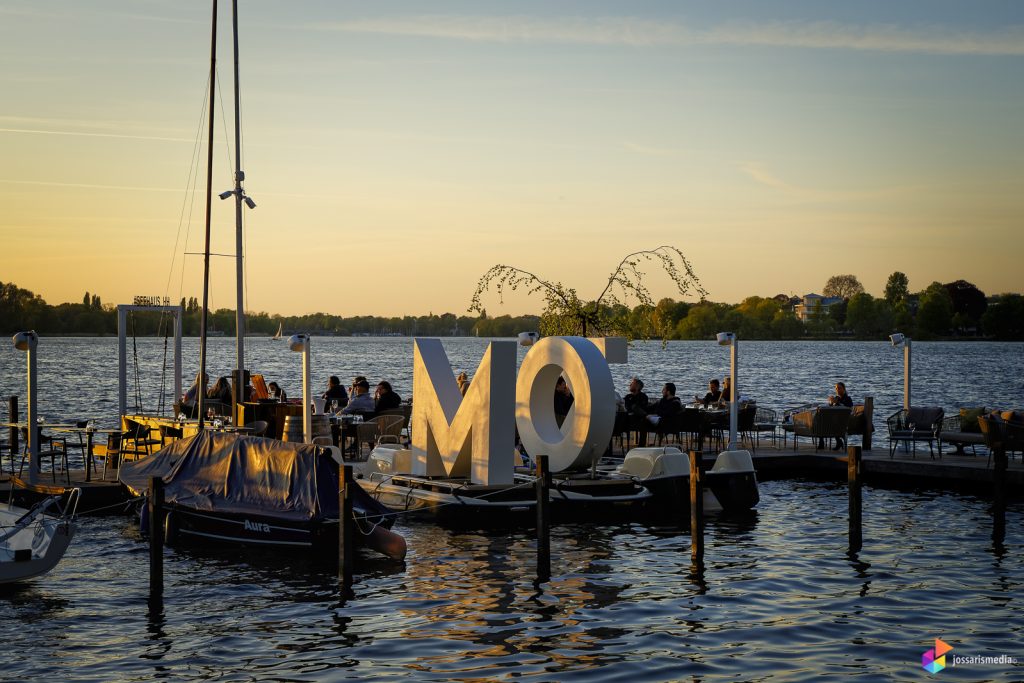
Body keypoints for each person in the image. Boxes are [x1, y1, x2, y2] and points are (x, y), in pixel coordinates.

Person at [826, 381, 854, 450]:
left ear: (844, 389)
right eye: (836, 388)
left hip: (844, 420)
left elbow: (848, 408)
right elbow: (831, 409)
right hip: (834, 418)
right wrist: (830, 403)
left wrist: (837, 403)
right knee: (821, 419)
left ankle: (839, 442)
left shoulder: (848, 399)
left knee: (833, 423)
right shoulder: (836, 398)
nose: (837, 390)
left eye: (839, 388)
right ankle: (821, 442)